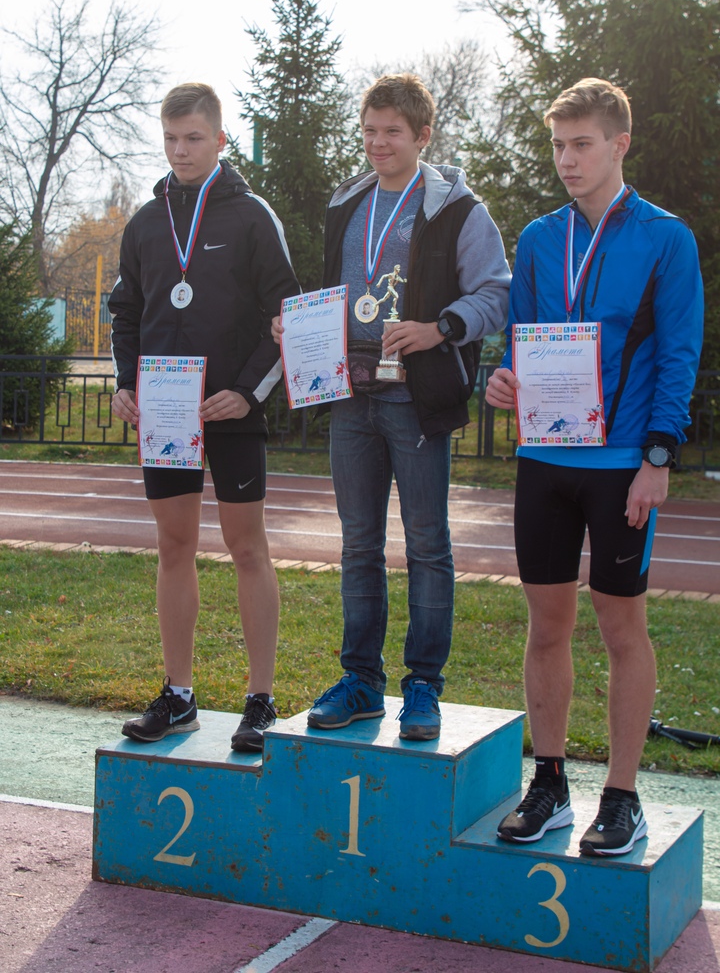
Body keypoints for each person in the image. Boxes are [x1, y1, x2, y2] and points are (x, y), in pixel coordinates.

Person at [486, 78, 703, 855]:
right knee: (547, 624)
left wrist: (658, 457)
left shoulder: (666, 239)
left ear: (620, 144)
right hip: (544, 457)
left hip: (621, 467)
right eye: (557, 145)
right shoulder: (541, 238)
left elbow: (679, 355)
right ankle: (548, 782)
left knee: (621, 625)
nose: (567, 160)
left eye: (581, 144)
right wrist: (502, 380)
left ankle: (622, 795)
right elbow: (519, 339)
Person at [276, 73, 510, 740]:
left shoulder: (459, 209)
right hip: (351, 397)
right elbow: (335, 296)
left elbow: (496, 292)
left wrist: (441, 327)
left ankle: (425, 688)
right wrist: (299, 332)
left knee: (429, 544)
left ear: (423, 135)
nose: (379, 143)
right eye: (371, 130)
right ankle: (361, 681)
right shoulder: (346, 204)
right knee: (357, 544)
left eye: (394, 132)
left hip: (417, 398)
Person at [109, 83, 299, 753]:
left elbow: (287, 315)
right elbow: (125, 315)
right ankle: (180, 693)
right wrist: (124, 382)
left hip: (232, 410)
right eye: (170, 138)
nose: (181, 150)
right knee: (174, 548)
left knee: (248, 548)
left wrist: (248, 391)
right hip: (164, 410)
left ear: (220, 139)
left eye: (194, 138)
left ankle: (260, 698)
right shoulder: (143, 223)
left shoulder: (251, 217)